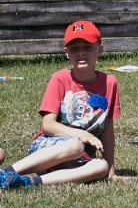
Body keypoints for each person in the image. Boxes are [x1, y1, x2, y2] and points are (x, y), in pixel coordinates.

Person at [0, 20, 121, 189]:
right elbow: (48, 125)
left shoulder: (109, 83)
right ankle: (6, 173)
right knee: (75, 145)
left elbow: (108, 131)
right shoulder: (60, 78)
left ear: (100, 49)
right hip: (51, 150)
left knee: (101, 166)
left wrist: (111, 172)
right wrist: (81, 134)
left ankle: (27, 182)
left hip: (81, 157)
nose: (81, 52)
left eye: (88, 47)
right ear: (67, 53)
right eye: (74, 48)